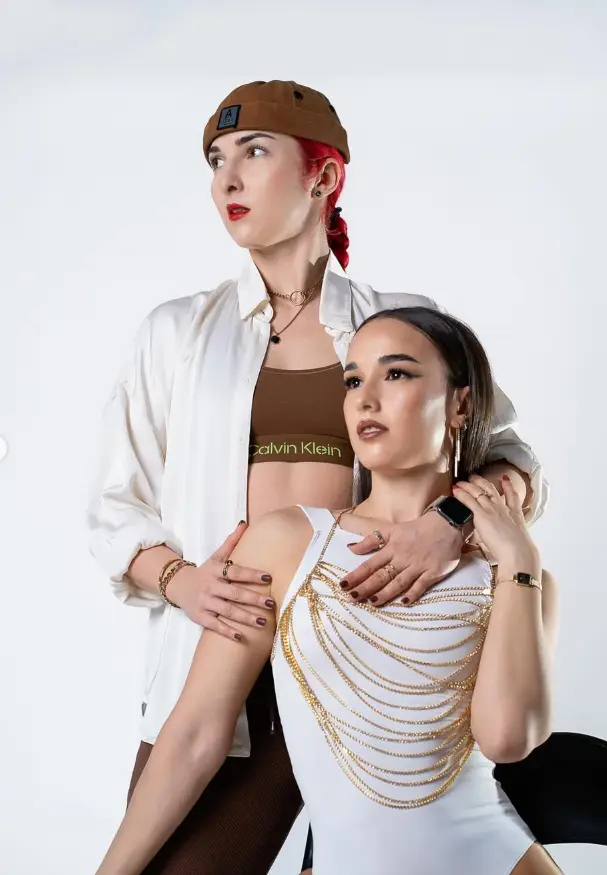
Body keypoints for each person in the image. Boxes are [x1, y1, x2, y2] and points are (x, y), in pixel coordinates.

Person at [87, 80, 548, 874]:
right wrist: (180, 580)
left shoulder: (398, 324)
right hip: (225, 665)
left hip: (366, 663)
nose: (227, 179)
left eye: (254, 152)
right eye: (215, 160)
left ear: (324, 176)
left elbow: (510, 458)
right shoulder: (177, 334)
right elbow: (112, 506)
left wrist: (448, 524)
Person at [95, 306, 560, 875]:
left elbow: (508, 739)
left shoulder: (512, 578)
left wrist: (519, 562)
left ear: (460, 405)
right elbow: (194, 733)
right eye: (353, 381)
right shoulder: (287, 542)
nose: (366, 399)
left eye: (396, 374)